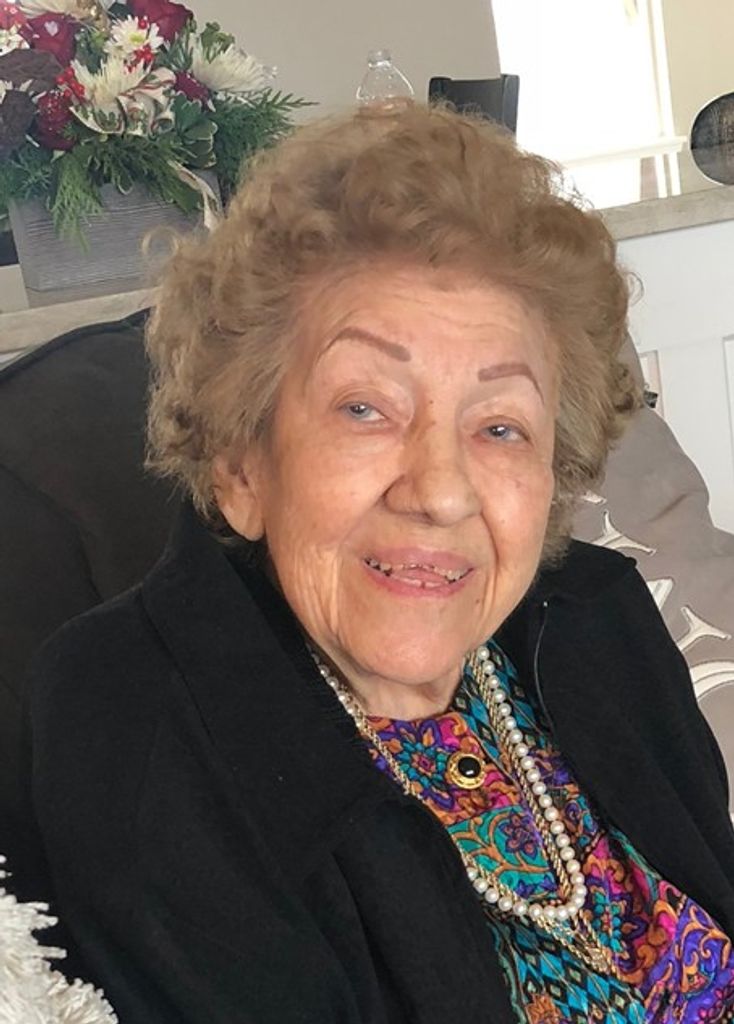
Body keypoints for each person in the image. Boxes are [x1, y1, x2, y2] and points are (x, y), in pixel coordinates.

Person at [26, 105, 734, 1023]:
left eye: (500, 427)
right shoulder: (129, 722)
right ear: (241, 463)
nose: (441, 491)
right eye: (366, 408)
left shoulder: (596, 618)